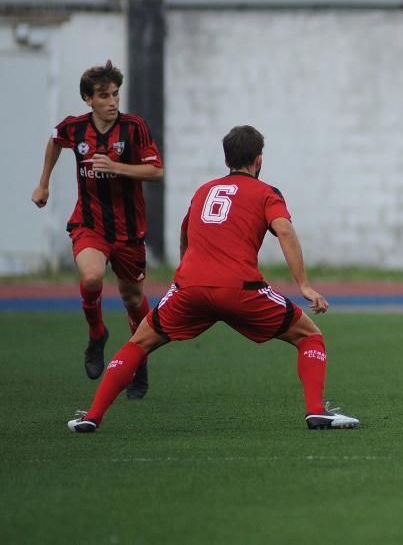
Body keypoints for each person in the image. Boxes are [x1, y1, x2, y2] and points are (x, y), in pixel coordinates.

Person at [68, 125, 360, 432]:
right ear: (258, 160)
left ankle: (91, 416)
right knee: (309, 336)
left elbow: (185, 232)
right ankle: (316, 411)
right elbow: (284, 230)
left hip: (189, 288)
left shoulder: (204, 190)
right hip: (241, 289)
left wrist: (187, 272)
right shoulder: (267, 193)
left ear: (226, 161)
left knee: (138, 343)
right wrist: (304, 285)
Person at [32, 60, 163, 399]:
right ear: (88, 99)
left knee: (133, 298)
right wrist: (43, 184)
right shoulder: (74, 128)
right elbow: (54, 141)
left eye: (116, 94)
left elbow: (156, 172)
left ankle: (139, 360)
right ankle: (97, 334)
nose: (112, 101)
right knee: (91, 278)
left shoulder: (134, 128)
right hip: (89, 224)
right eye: (104, 95)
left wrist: (116, 166)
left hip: (129, 229)